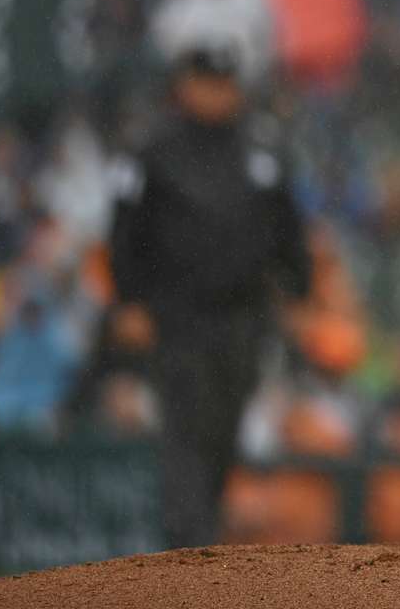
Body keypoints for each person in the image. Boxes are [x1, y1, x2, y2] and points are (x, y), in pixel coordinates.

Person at [108, 42, 312, 548]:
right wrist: (129, 299)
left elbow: (287, 224)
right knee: (185, 425)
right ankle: (188, 542)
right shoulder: (154, 149)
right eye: (209, 83)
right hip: (179, 314)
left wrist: (300, 284)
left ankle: (201, 536)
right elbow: (125, 231)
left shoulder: (262, 147)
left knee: (224, 426)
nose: (219, 94)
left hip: (245, 313)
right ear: (185, 85)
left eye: (227, 84)